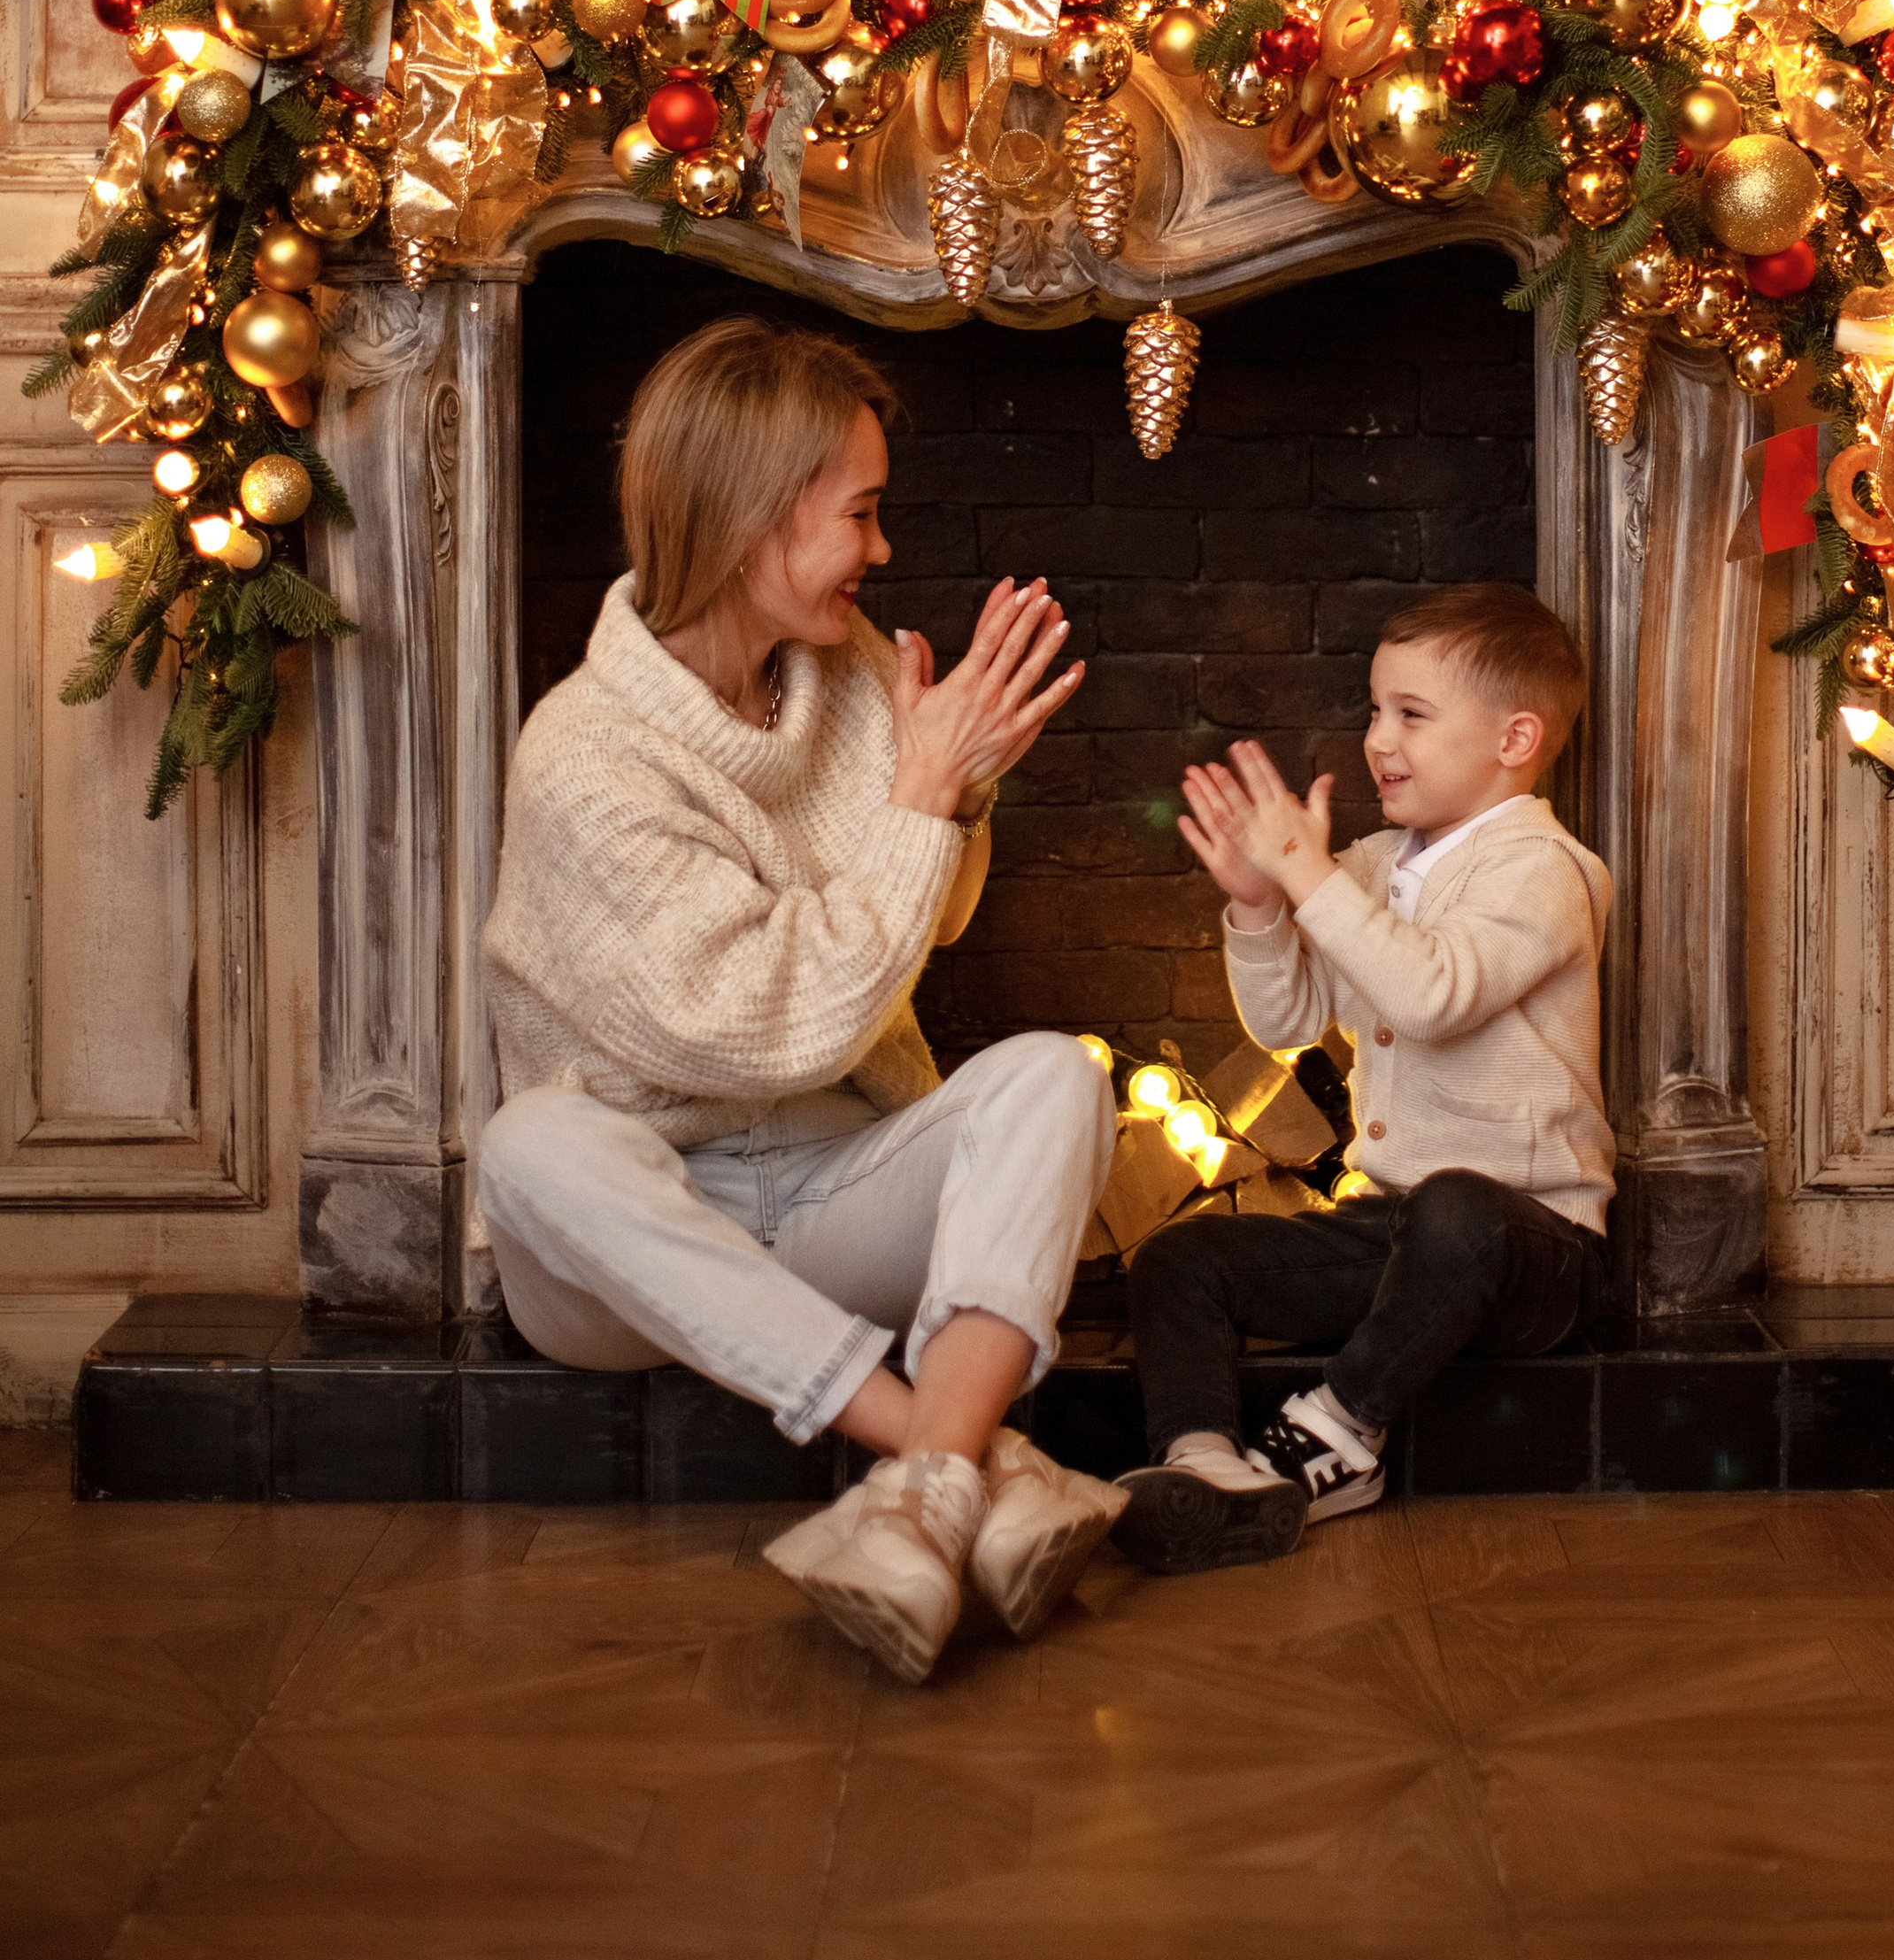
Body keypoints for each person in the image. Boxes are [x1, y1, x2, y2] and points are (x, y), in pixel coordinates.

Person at [476, 314, 1123, 1685]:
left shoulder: (846, 677)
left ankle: (918, 1499)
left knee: (1059, 1073)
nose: (883, 551)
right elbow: (759, 1020)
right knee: (530, 1143)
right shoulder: (583, 756)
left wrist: (963, 788)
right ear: (750, 521)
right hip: (632, 1246)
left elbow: (919, 927)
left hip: (832, 1184)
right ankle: (962, 1460)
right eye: (862, 515)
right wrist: (923, 795)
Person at [1113, 581, 1612, 1576]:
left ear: (1515, 739)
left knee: (1458, 1210)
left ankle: (1341, 1431)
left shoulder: (1548, 870)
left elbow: (1432, 994)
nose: (1378, 738)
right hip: (1394, 1230)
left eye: (1411, 716)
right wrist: (1261, 907)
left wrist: (1310, 879)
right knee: (1177, 1260)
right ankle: (1205, 1464)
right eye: (1374, 709)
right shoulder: (1377, 867)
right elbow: (1289, 1021)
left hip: (1531, 1246)